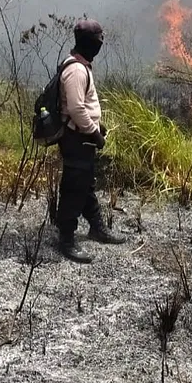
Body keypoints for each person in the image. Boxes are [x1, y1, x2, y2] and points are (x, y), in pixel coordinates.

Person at [54, 19, 126, 264]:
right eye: (98, 41)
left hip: (81, 135)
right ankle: (66, 239)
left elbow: (82, 106)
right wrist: (94, 133)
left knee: (85, 184)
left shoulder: (81, 65)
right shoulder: (75, 70)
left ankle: (96, 227)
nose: (101, 45)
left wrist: (97, 125)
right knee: (74, 187)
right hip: (77, 138)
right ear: (87, 42)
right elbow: (75, 108)